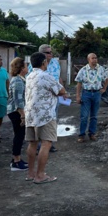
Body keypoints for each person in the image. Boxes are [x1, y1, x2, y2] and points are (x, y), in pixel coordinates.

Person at [25, 52, 68, 184]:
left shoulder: (29, 76)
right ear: (44, 62)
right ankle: (40, 175)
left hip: (30, 114)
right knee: (46, 143)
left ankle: (31, 173)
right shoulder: (46, 76)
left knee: (32, 143)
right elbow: (61, 91)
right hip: (45, 115)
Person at [28, 44, 62, 152]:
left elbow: (58, 77)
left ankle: (49, 143)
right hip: (40, 100)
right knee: (39, 121)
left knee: (53, 119)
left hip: (54, 98)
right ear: (42, 54)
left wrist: (62, 90)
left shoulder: (56, 63)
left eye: (51, 52)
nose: (51, 54)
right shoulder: (33, 66)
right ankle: (39, 146)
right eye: (48, 52)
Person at [75, 53, 108, 143]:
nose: (95, 59)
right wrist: (78, 96)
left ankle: (92, 134)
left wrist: (104, 88)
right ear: (88, 59)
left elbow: (106, 79)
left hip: (97, 94)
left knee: (94, 116)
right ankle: (82, 135)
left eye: (96, 58)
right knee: (84, 116)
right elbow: (79, 83)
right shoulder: (83, 70)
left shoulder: (101, 69)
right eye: (92, 58)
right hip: (86, 94)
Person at [7, 57, 29, 171]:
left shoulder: (20, 79)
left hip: (17, 111)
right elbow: (18, 100)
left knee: (19, 135)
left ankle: (17, 158)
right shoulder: (17, 81)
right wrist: (23, 115)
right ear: (21, 68)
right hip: (16, 112)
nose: (27, 67)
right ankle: (16, 161)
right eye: (25, 66)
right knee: (19, 136)